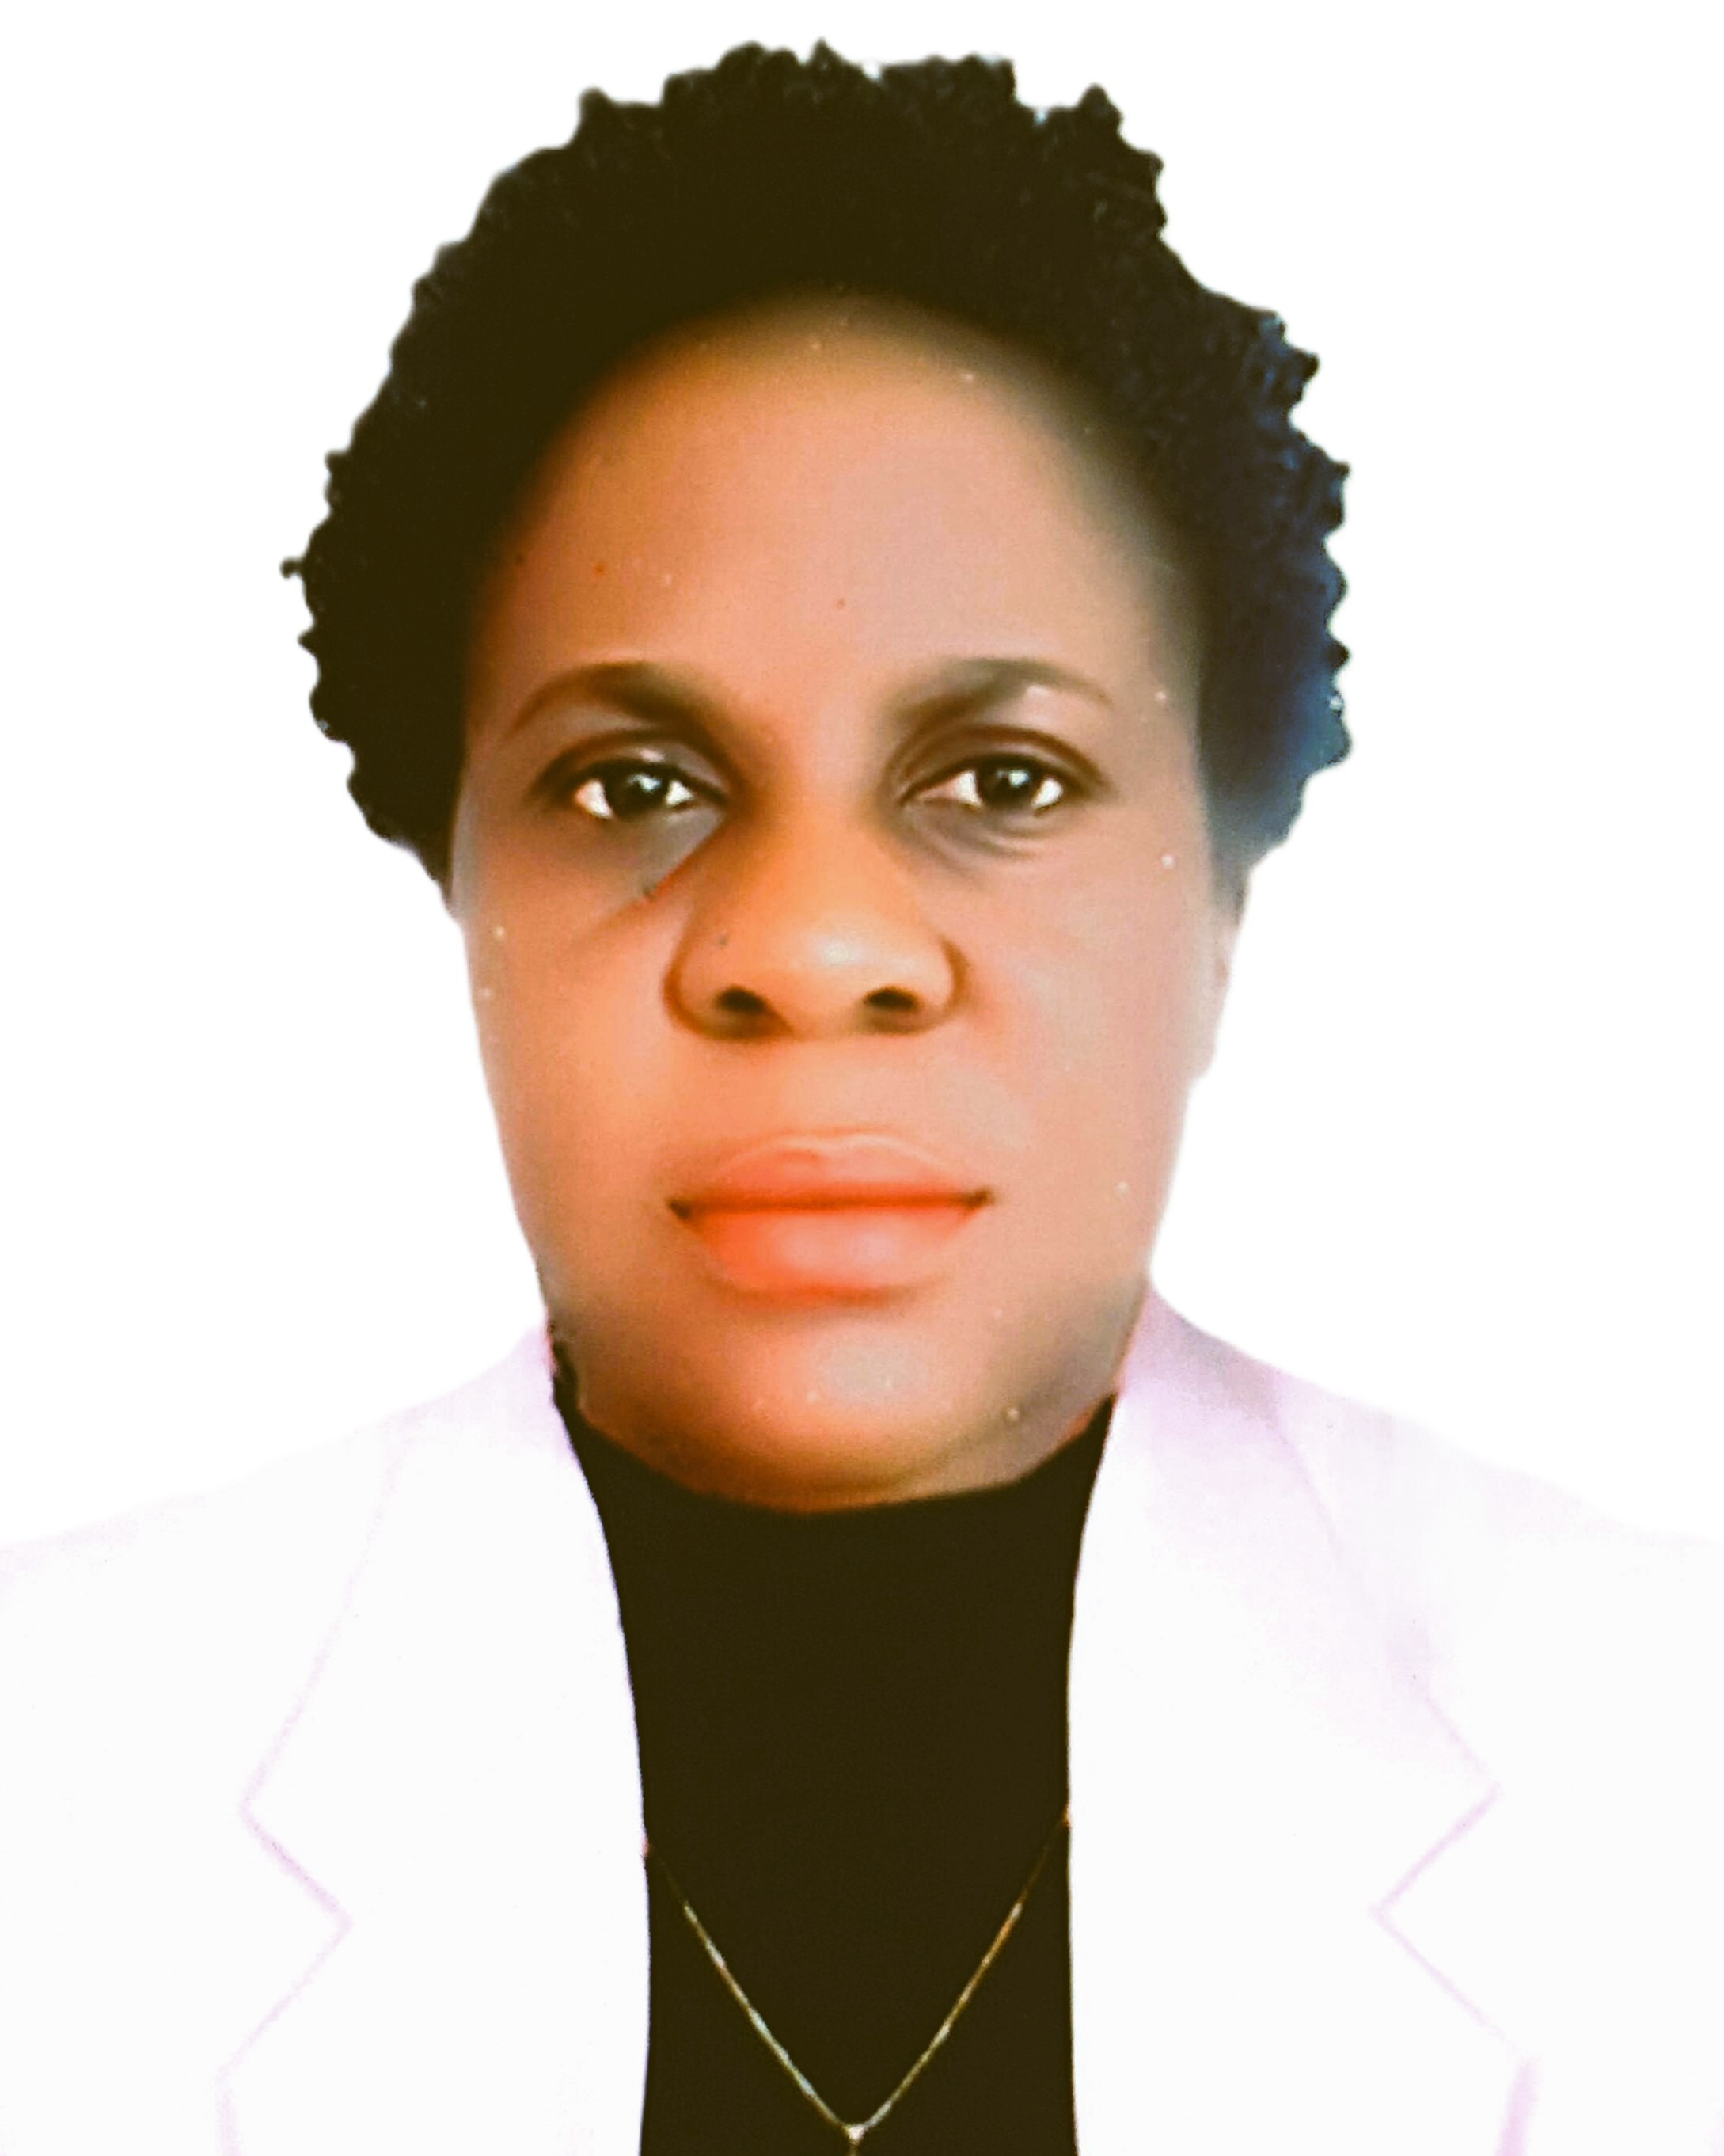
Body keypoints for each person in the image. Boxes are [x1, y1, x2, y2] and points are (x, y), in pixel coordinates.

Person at [1, 42, 1719, 2156]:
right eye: (631, 785)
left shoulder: (1670, 1770)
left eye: (1002, 776)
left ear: (1223, 898)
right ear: (460, 881)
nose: (812, 945)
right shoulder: (44, 1782)